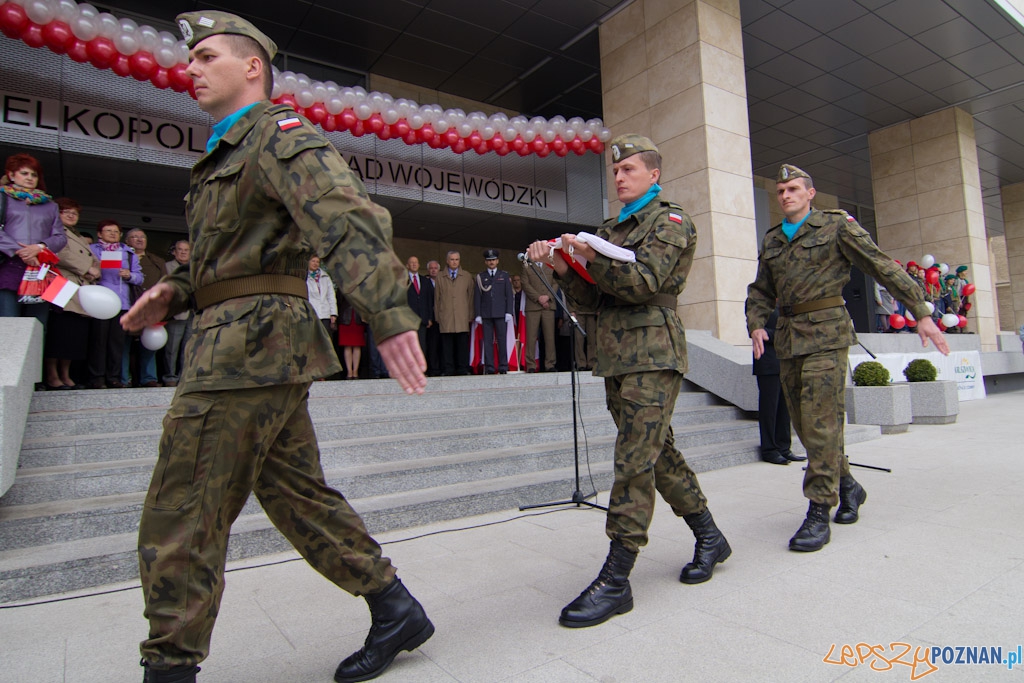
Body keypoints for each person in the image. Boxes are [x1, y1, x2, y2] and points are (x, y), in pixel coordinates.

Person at [120, 12, 431, 683]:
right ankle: (394, 604)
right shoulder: (225, 152)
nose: (191, 69)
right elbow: (228, 253)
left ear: (251, 66)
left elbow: (346, 218)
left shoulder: (277, 135)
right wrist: (173, 288)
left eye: (206, 57)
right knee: (297, 496)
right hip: (248, 347)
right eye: (191, 59)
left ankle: (168, 668)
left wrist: (388, 313)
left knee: (183, 507)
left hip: (245, 354)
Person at [526, 134, 730, 628]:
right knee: (657, 455)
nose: (619, 176)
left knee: (633, 460)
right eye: (615, 171)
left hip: (653, 352)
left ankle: (616, 579)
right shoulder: (609, 229)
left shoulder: (670, 221)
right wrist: (558, 263)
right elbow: (591, 301)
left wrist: (591, 257)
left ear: (653, 175)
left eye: (630, 170)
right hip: (616, 354)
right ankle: (709, 534)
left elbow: (642, 284)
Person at [746, 164, 949, 553]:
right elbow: (760, 289)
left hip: (826, 334)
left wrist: (921, 311)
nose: (786, 195)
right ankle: (850, 486)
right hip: (788, 339)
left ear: (810, 193)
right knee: (806, 427)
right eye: (781, 191)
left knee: (822, 423)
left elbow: (881, 264)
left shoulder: (836, 226)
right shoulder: (772, 239)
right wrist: (756, 324)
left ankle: (819, 508)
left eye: (793, 189)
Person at [0, 153, 67, 331]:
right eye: (24, 173)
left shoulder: (50, 206)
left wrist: (39, 247)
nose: (30, 178)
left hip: (41, 269)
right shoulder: (2, 198)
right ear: (11, 175)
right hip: (9, 266)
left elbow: (60, 237)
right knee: (8, 324)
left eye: (34, 174)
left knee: (37, 326)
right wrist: (19, 250)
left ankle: (34, 359)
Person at [42, 198, 99, 390]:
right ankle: (51, 375)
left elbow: (94, 259)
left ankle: (66, 374)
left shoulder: (81, 237)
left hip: (80, 286)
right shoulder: (54, 231)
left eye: (75, 212)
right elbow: (62, 255)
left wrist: (95, 269)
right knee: (59, 331)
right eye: (66, 211)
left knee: (74, 334)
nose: (71, 215)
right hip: (61, 283)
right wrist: (88, 268)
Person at [88, 220, 142, 389]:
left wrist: (129, 275)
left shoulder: (128, 253)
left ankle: (114, 377)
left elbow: (139, 277)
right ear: (99, 233)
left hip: (121, 303)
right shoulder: (92, 250)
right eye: (108, 230)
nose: (112, 234)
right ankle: (96, 377)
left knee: (116, 343)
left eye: (116, 231)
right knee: (98, 341)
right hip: (99, 301)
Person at [752, 308, 802, 465]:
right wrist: (782, 335)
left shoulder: (784, 304)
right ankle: (769, 449)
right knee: (769, 409)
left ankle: (784, 448)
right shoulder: (757, 304)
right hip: (768, 364)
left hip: (785, 363)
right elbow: (757, 331)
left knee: (785, 409)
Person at [125, 228, 166, 387]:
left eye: (142, 237)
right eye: (134, 237)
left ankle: (149, 378)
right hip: (127, 305)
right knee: (124, 343)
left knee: (150, 342)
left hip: (151, 307)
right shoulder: (123, 257)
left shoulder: (156, 260)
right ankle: (123, 378)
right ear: (127, 241)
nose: (139, 240)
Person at [473, 248, 514, 374]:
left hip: (501, 313)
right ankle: (490, 367)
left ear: (497, 261)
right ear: (486, 262)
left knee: (502, 341)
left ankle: (503, 366)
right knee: (488, 342)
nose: (491, 262)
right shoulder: (481, 277)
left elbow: (509, 295)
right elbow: (477, 297)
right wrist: (478, 314)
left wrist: (509, 312)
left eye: (493, 260)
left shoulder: (504, 275)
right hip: (486, 314)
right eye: (489, 260)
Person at [434, 250, 474, 375]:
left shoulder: (466, 276)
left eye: (456, 259)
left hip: (462, 316)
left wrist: (470, 315)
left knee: (462, 345)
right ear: (447, 261)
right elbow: (437, 299)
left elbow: (471, 297)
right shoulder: (440, 276)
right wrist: (437, 316)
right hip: (446, 316)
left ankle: (463, 368)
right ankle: (448, 369)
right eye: (452, 259)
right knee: (447, 346)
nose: (454, 262)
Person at [520, 256, 559, 372]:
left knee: (549, 337)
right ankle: (531, 365)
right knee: (531, 337)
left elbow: (556, 283)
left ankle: (550, 364)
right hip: (533, 306)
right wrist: (539, 298)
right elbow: (525, 284)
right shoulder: (527, 266)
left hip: (549, 305)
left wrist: (548, 297)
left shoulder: (551, 265)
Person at [162, 241, 191, 387]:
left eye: (187, 250)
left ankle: (184, 376)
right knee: (172, 347)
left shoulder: (196, 268)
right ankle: (170, 376)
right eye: (180, 250)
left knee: (188, 347)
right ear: (174, 252)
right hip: (177, 312)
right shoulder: (167, 267)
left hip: (193, 312)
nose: (184, 252)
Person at [405, 255, 434, 360]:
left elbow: (430, 300)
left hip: (422, 318)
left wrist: (430, 317)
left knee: (422, 345)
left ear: (419, 265)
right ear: (407, 265)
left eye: (416, 262)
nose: (414, 264)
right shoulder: (402, 280)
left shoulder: (425, 281)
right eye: (411, 262)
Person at [306, 255, 338, 341]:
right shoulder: (304, 277)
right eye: (313, 261)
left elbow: (331, 296)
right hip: (311, 312)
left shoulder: (325, 277)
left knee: (326, 339)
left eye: (317, 261)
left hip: (325, 313)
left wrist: (333, 313)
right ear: (308, 262)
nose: (315, 263)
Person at [337, 293, 366, 378]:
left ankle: (355, 371)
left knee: (357, 346)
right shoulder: (342, 284)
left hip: (358, 317)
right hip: (345, 316)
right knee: (347, 346)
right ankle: (349, 371)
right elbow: (339, 300)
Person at [424, 259, 442, 375]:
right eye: (431, 268)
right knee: (431, 345)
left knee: (443, 344)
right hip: (431, 319)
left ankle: (443, 367)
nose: (433, 270)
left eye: (435, 268)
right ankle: (433, 368)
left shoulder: (444, 281)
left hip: (443, 318)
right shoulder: (424, 282)